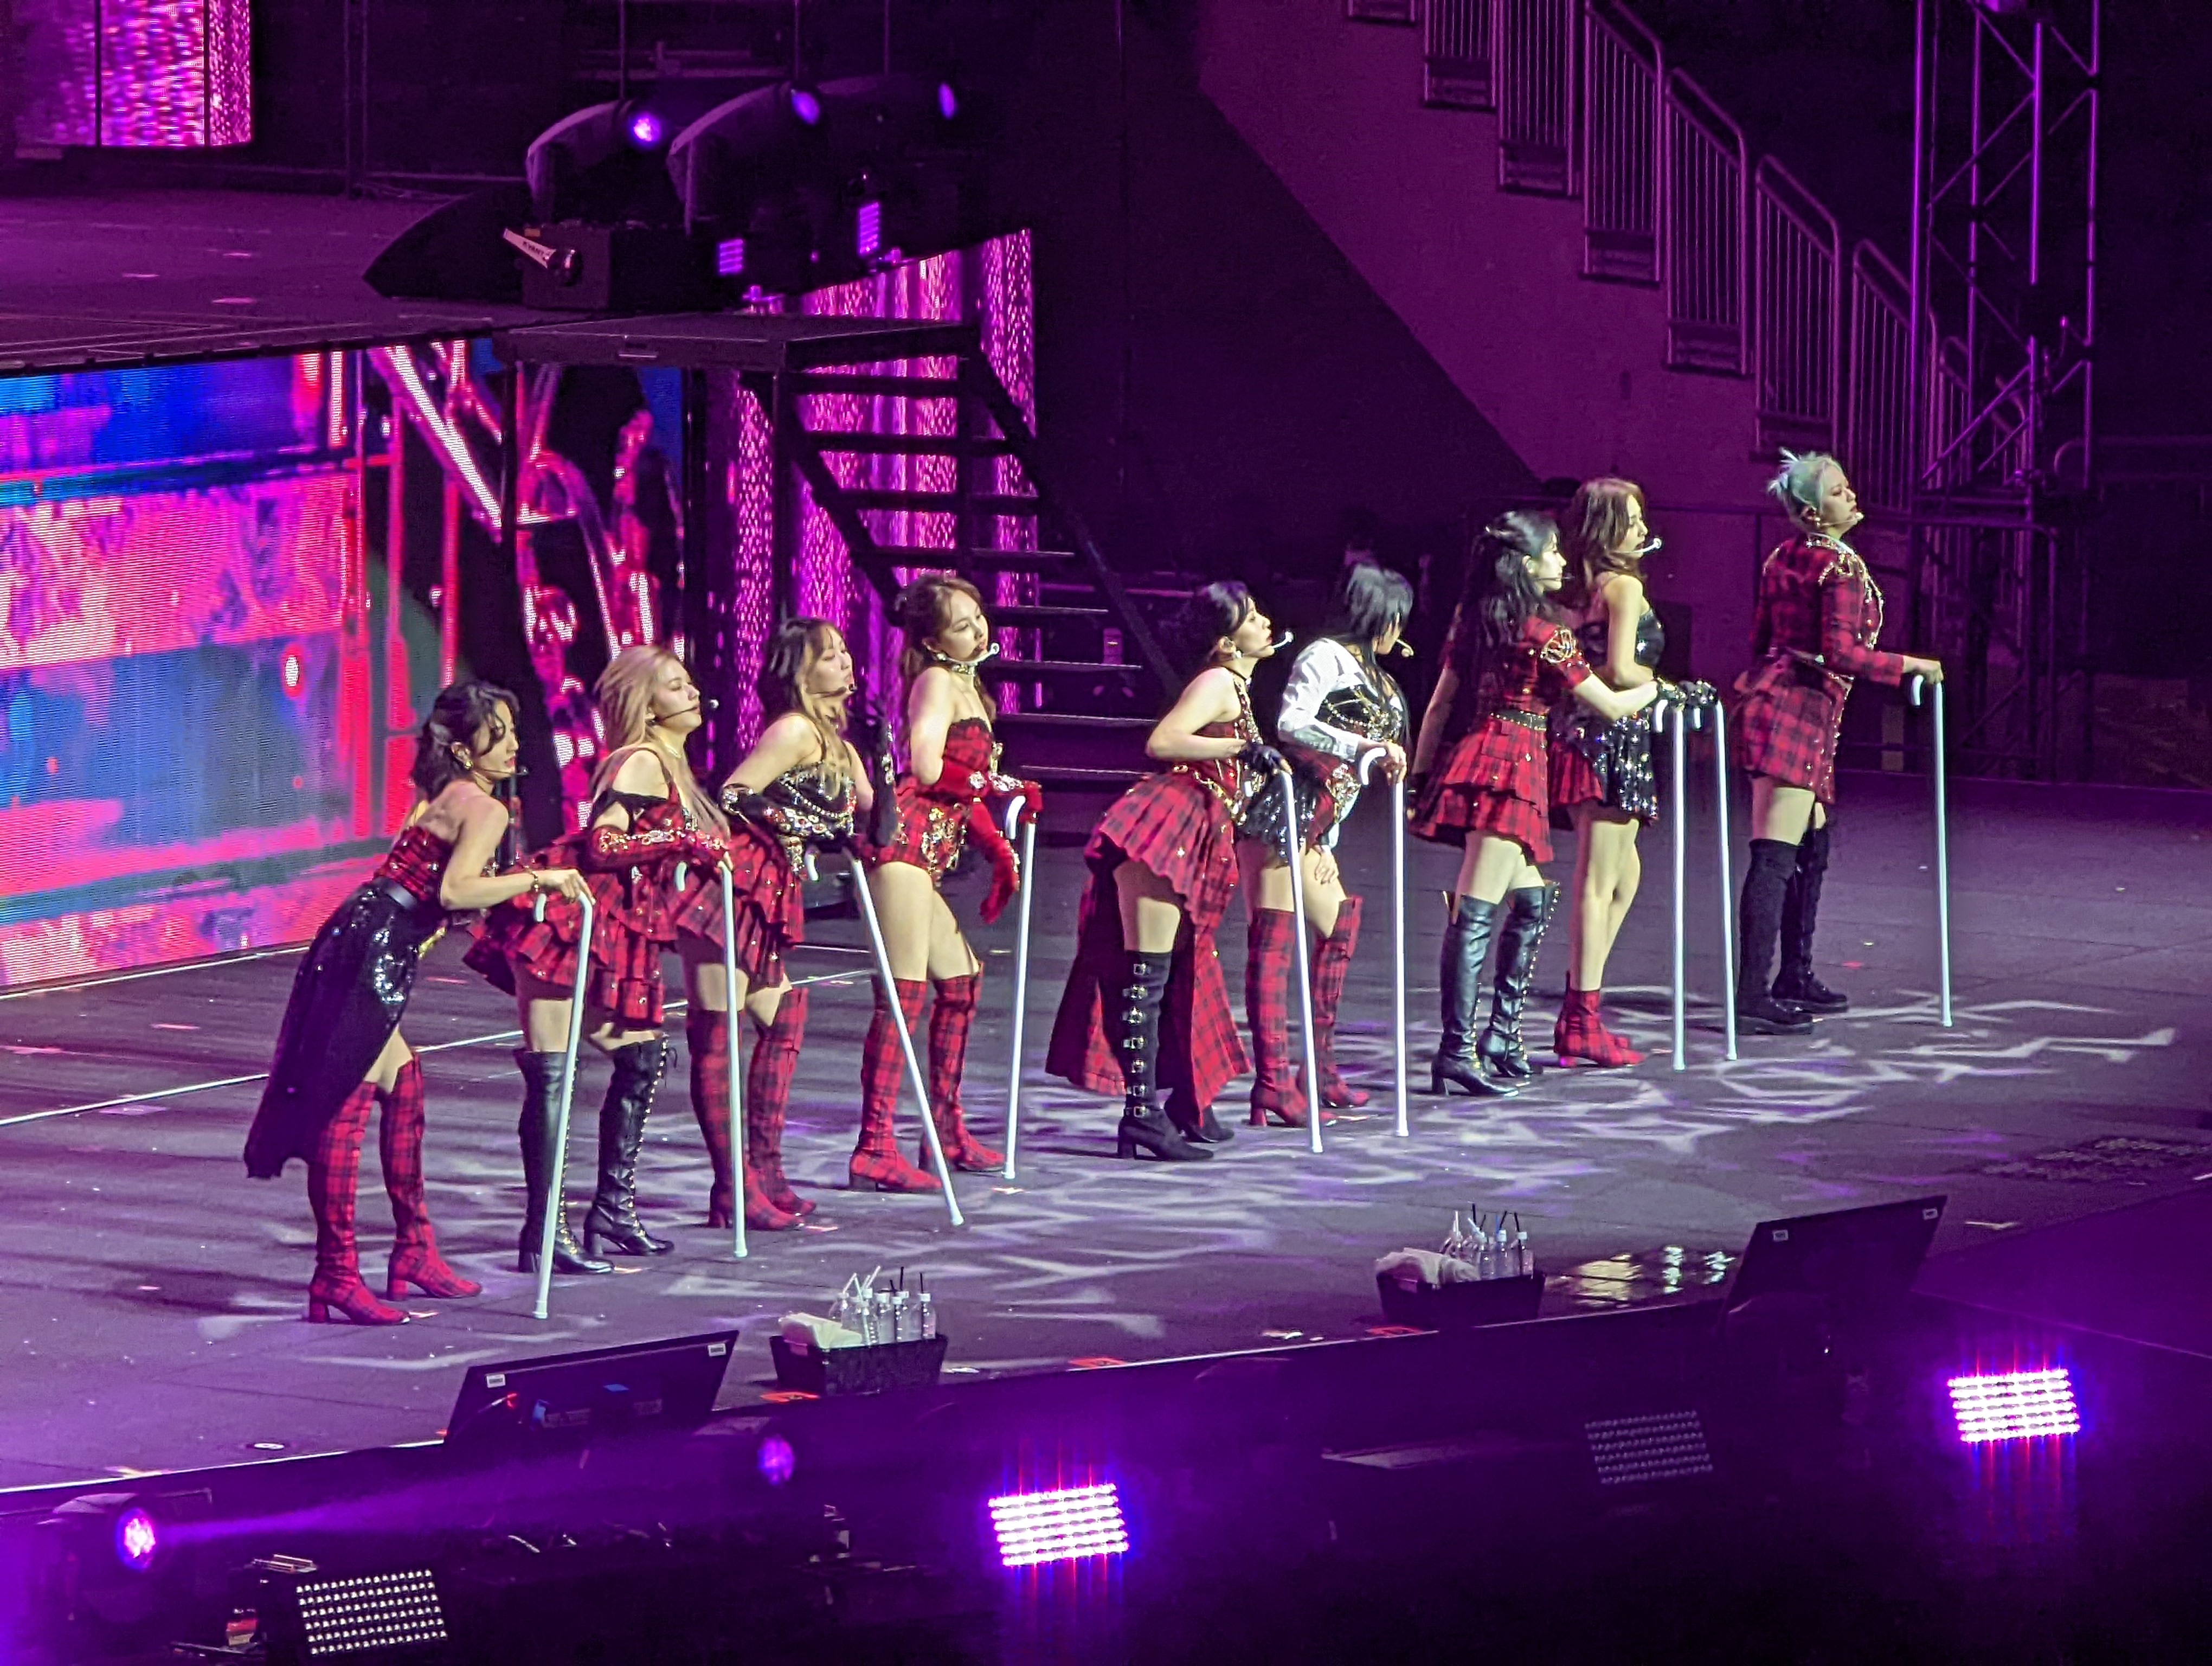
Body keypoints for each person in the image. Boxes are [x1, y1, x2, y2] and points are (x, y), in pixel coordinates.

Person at [245, 682, 591, 1324]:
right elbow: (457, 892)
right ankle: (336, 1274)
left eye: (513, 731)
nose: (514, 746)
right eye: (498, 734)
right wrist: (542, 878)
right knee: (349, 1097)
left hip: (360, 936)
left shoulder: (445, 795)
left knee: (403, 1081)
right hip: (371, 952)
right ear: (462, 749)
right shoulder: (484, 808)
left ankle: (413, 1251)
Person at [468, 646, 728, 1271]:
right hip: (570, 919)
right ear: (646, 706)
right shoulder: (639, 760)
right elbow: (605, 843)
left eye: (689, 683)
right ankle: (545, 1233)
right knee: (553, 1071)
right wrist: (683, 839)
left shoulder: (671, 765)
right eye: (675, 686)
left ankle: (612, 1208)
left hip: (619, 928)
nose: (692, 693)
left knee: (642, 1056)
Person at [1410, 512, 1666, 1096]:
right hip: (1510, 767)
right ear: (1526, 566)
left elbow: (1440, 706)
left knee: (1528, 900)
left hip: (1487, 758)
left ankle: (1501, 1036)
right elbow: (1611, 704)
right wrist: (1661, 688)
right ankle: (1456, 1051)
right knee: (1476, 911)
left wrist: (1422, 779)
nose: (1562, 560)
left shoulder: (1476, 620)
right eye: (1551, 552)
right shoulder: (1544, 634)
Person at [1046, 581, 1287, 1157]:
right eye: (1252, 617)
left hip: (1195, 829)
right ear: (1226, 643)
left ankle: (1185, 1103)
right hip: (1166, 826)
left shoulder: (1236, 688)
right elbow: (1163, 741)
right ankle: (1141, 1117)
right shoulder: (1218, 682)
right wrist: (1237, 750)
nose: (1265, 622)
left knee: (1184, 971)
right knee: (1147, 978)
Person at [671, 618, 874, 1229]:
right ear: (800, 671)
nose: (846, 662)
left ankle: (765, 1171)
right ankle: (732, 1187)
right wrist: (800, 823)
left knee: (784, 1017)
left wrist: (886, 754)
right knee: (722, 1030)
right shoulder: (792, 731)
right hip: (736, 881)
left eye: (845, 652)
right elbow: (734, 794)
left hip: (772, 887)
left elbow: (877, 821)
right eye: (830, 655)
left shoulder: (837, 743)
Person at [1733, 452, 1941, 1031]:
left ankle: (1794, 973)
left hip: (1795, 701)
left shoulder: (1785, 556)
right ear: (1811, 513)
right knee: (1776, 851)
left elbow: (1760, 635)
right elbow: (1843, 653)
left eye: (1847, 487)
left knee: (1812, 843)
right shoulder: (1838, 567)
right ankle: (1751, 994)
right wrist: (1910, 665)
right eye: (1836, 491)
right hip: (1794, 707)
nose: (1851, 496)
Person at [857, 576, 1040, 1192]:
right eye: (962, 626)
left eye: (978, 617)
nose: (979, 630)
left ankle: (945, 1130)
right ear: (933, 641)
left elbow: (966, 793)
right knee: (905, 995)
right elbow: (929, 766)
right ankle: (874, 1146)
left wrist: (997, 846)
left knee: (961, 981)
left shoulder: (968, 683)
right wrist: (998, 785)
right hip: (905, 846)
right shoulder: (936, 682)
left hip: (932, 851)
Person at [1547, 478, 1713, 1069]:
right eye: (1633, 520)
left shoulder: (1574, 589)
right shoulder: (1622, 587)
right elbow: (1619, 670)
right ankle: (1580, 1017)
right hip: (1609, 737)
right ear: (1607, 529)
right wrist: (1671, 687)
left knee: (1623, 880)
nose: (1644, 530)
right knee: (1598, 883)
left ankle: (1580, 1003)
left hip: (1584, 732)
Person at [1243, 562, 1412, 1123]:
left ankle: (1317, 1068)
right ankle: (1272, 1083)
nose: (1400, 630)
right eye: (1397, 618)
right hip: (1282, 812)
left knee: (1339, 925)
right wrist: (1362, 747)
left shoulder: (1375, 675)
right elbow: (1291, 723)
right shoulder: (1325, 657)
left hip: (1318, 823)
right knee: (1275, 944)